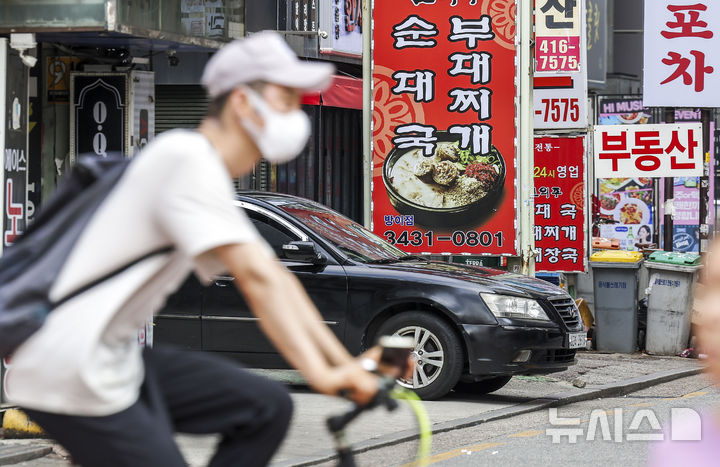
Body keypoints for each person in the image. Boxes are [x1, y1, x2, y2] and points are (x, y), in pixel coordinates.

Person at [6, 31, 383, 467]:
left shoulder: (201, 169)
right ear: (243, 102)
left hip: (112, 360)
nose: (296, 115)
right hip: (68, 367)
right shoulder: (187, 160)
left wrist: (344, 365)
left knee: (266, 407)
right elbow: (259, 279)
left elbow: (273, 276)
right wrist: (326, 373)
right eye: (286, 99)